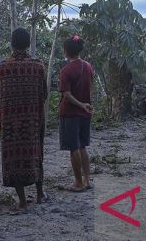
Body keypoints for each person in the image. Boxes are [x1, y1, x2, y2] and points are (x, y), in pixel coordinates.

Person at [0, 28, 48, 212]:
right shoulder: (39, 66)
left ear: (12, 43)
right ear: (28, 43)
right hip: (33, 121)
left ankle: (23, 202)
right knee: (36, 153)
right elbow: (45, 94)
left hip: (11, 124)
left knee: (15, 157)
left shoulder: (3, 67)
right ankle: (40, 194)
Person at [59, 35, 95, 192]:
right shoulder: (88, 66)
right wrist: (86, 105)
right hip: (85, 113)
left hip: (71, 113)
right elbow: (90, 86)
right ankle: (87, 180)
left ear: (66, 52)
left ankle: (78, 182)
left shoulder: (66, 70)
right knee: (83, 147)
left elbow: (66, 94)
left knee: (74, 148)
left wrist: (80, 105)